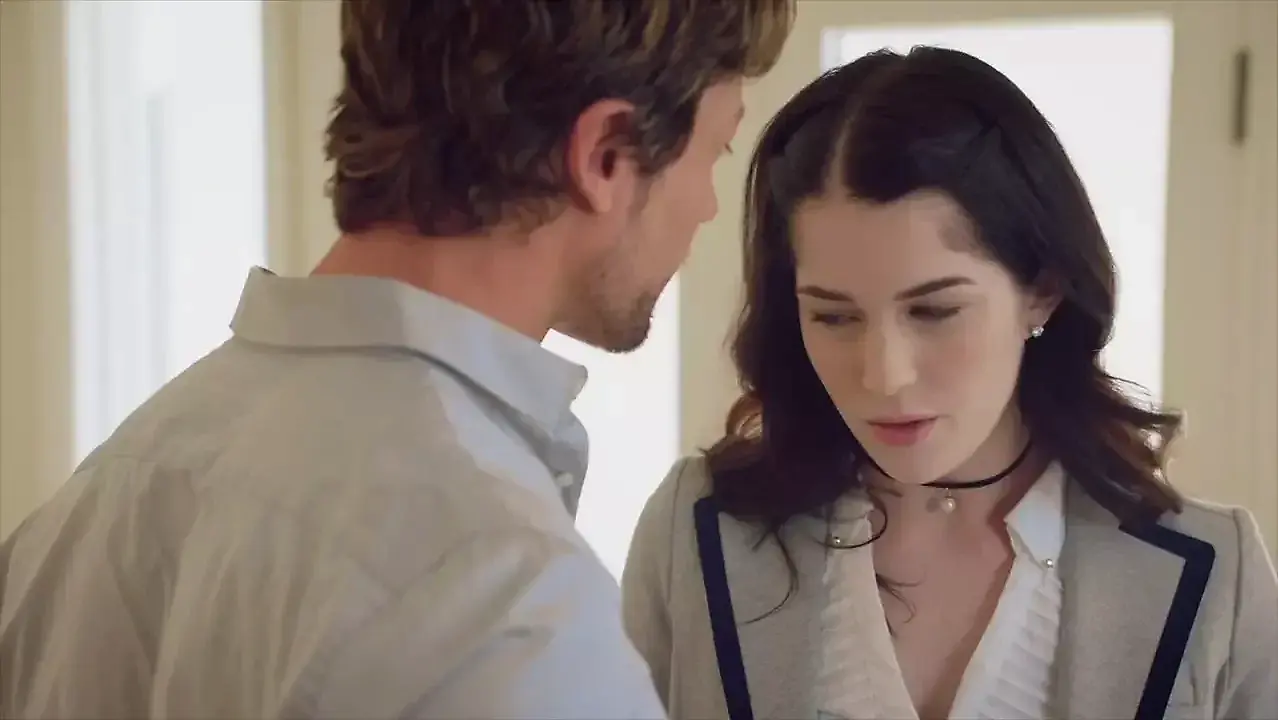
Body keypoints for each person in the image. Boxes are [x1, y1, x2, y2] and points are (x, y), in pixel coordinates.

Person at [0, 1, 794, 718]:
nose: (708, 206)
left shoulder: (93, 504)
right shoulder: (508, 608)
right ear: (606, 156)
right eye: (715, 152)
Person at [620, 46, 1278, 720]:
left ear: (1043, 291)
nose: (884, 374)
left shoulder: (1217, 577)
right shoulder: (693, 532)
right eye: (834, 316)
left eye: (934, 311)